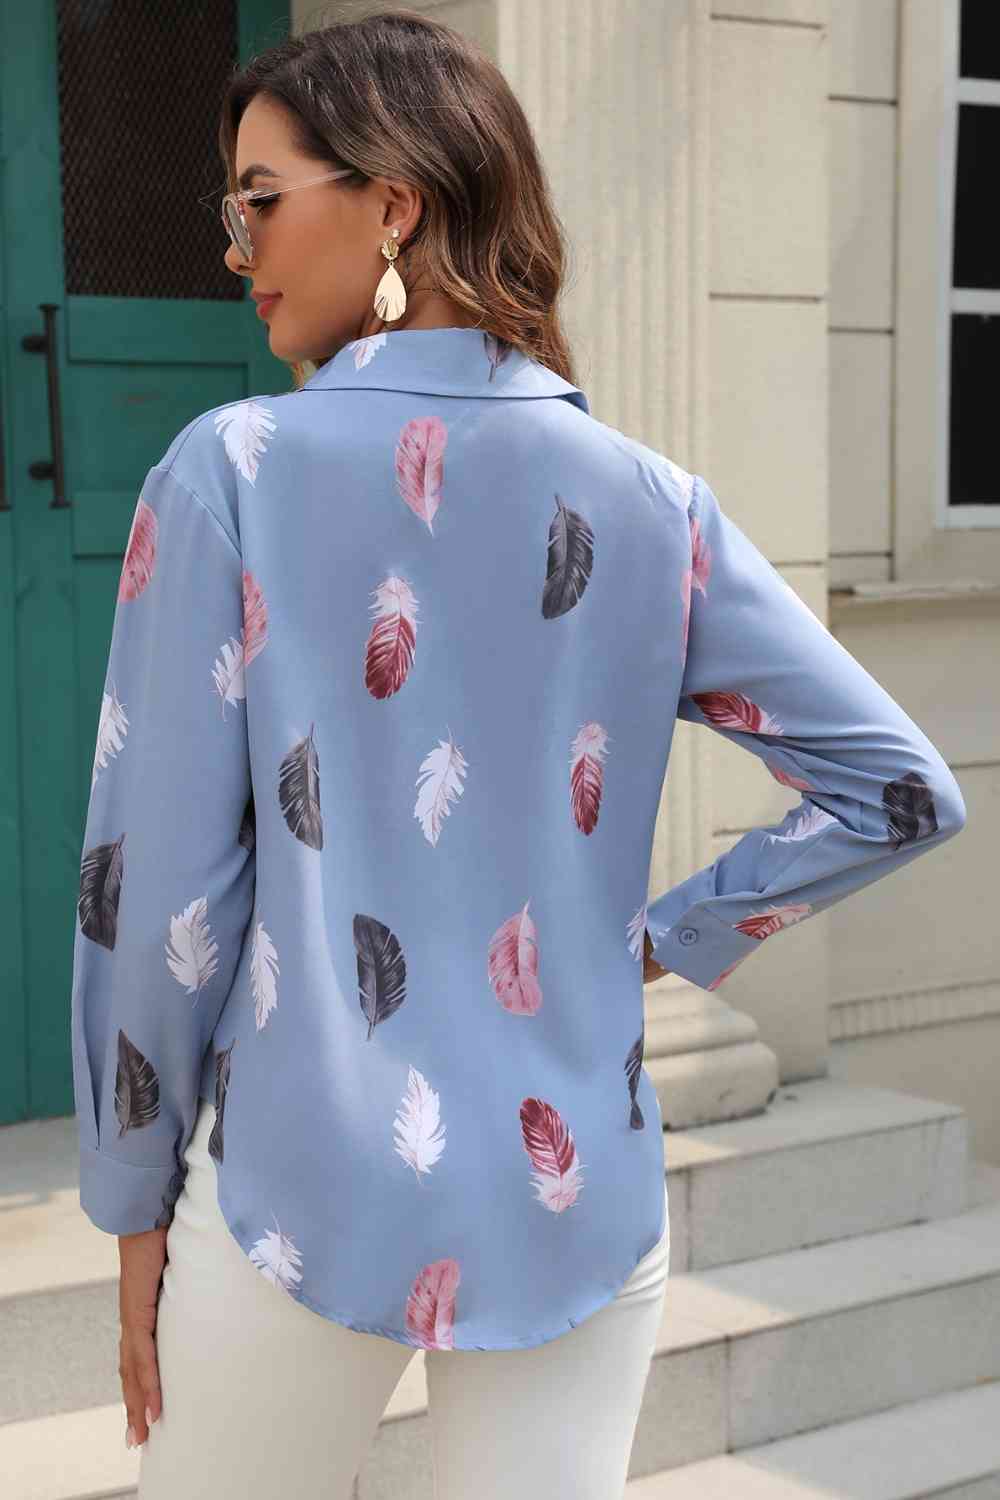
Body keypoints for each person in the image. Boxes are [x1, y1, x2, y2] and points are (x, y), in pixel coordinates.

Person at [68, 10, 967, 1498]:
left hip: (304, 1186)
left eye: (260, 202)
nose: (238, 251)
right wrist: (666, 941)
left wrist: (130, 1196)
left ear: (395, 204)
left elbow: (158, 887)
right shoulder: (654, 504)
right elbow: (899, 791)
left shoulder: (231, 474)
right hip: (575, 1189)